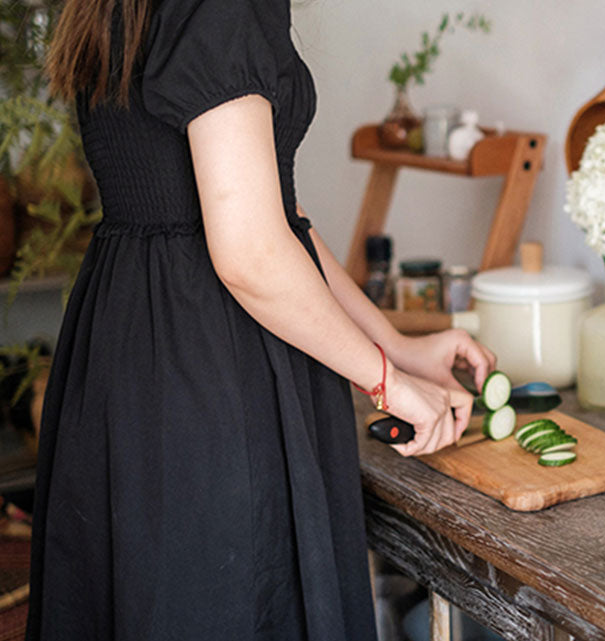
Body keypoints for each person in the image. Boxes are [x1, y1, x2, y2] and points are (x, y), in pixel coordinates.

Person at [26, 0, 495, 638]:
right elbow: (251, 252)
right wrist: (385, 380)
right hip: (212, 376)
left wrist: (396, 346)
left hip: (126, 354)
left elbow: (277, 221)